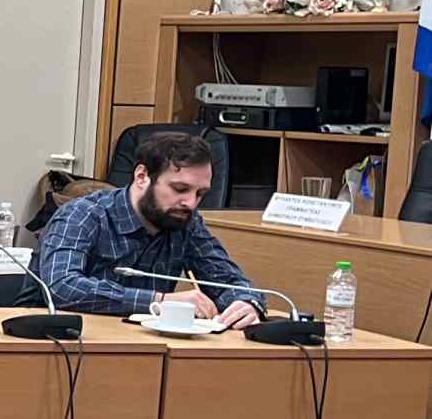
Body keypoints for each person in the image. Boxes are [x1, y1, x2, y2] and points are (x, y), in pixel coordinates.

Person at [29, 130, 264, 328]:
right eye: (180, 189)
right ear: (142, 177)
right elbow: (61, 287)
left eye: (200, 193)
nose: (191, 203)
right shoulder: (82, 215)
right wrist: (159, 300)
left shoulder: (186, 223)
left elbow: (229, 282)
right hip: (56, 342)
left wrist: (246, 303)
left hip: (142, 345)